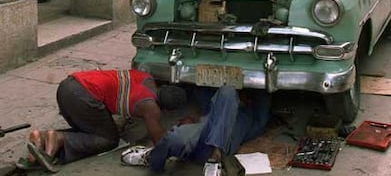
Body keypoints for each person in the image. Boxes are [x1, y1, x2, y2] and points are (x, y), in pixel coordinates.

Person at [17, 69, 187, 173]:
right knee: (108, 139)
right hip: (83, 96)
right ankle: (57, 138)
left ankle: (41, 138)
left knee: (92, 131)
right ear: (165, 109)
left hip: (69, 85)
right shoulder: (150, 107)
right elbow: (160, 142)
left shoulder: (146, 78)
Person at [121, 86, 271, 175]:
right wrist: (194, 119)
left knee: (228, 91)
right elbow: (202, 92)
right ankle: (152, 158)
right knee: (174, 138)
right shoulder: (219, 105)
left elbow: (264, 100)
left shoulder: (251, 116)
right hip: (199, 137)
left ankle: (215, 157)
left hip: (219, 144)